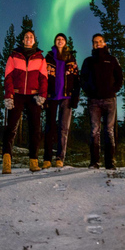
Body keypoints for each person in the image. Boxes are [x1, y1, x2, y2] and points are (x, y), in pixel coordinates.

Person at [2, 29, 48, 174]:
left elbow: (44, 79)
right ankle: (6, 161)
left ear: (34, 41)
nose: (28, 38)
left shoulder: (41, 58)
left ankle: (33, 161)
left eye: (31, 37)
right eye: (26, 37)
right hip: (17, 95)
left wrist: (42, 95)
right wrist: (8, 95)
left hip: (34, 97)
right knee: (11, 128)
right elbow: (8, 76)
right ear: (23, 40)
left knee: (35, 129)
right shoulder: (13, 56)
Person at [80, 33, 123, 169]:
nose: (98, 44)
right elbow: (82, 79)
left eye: (100, 41)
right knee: (95, 131)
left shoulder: (112, 59)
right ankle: (94, 162)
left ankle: (110, 162)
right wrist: (89, 91)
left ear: (104, 43)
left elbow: (120, 76)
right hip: (94, 101)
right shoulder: (88, 61)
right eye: (95, 42)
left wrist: (114, 89)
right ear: (92, 44)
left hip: (110, 100)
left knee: (109, 131)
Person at [43, 33, 80, 169]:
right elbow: (43, 76)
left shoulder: (70, 57)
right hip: (51, 96)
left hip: (67, 96)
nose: (60, 41)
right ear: (55, 41)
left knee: (64, 128)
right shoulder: (49, 57)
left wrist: (76, 96)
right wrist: (43, 95)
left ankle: (60, 158)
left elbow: (76, 77)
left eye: (62, 39)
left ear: (65, 42)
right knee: (49, 127)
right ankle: (47, 159)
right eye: (58, 39)